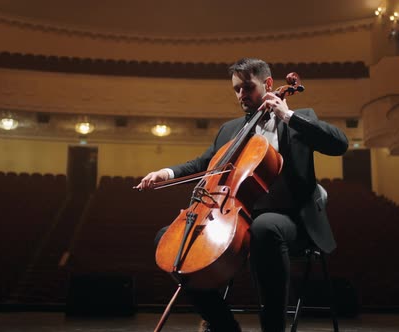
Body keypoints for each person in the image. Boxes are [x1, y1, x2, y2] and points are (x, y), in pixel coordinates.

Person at [136, 58, 348, 332]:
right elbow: (204, 163)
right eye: (236, 89)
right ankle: (223, 324)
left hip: (291, 221)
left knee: (265, 227)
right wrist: (165, 173)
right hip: (236, 220)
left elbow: (339, 143)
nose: (241, 96)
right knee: (168, 241)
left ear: (268, 83)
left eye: (247, 87)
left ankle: (273, 328)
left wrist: (288, 116)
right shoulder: (231, 129)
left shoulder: (299, 118)